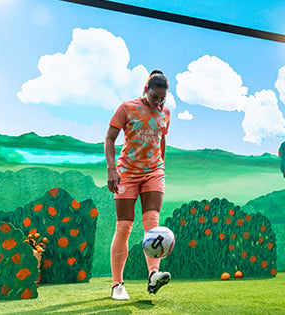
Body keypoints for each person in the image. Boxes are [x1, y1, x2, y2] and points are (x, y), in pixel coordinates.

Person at [104, 69, 172, 300]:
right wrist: (112, 170)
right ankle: (117, 284)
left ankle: (153, 274)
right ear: (146, 90)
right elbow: (109, 139)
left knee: (152, 222)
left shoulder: (165, 113)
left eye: (162, 99)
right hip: (127, 173)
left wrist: (160, 166)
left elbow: (161, 140)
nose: (158, 102)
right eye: (155, 97)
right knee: (124, 226)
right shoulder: (127, 107)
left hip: (153, 171)